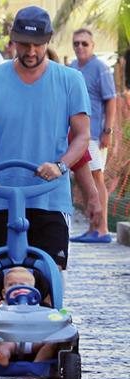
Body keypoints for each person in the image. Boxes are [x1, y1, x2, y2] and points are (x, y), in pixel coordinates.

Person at [0, 6, 90, 276]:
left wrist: (60, 165)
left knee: (48, 280)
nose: (31, 52)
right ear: (12, 40)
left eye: (38, 45)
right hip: (3, 194)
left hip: (51, 197)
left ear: (48, 41)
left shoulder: (71, 80)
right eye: (24, 45)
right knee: (3, 283)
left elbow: (82, 136)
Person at [68, 28, 117, 244]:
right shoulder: (72, 67)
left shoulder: (101, 68)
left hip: (95, 134)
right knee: (84, 180)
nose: (80, 47)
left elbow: (111, 100)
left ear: (93, 45)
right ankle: (92, 227)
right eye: (76, 43)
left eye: (84, 43)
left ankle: (103, 228)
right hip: (77, 135)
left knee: (96, 177)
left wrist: (108, 130)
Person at [0, 267, 56, 379]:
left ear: (34, 291)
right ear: (4, 292)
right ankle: (2, 356)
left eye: (22, 285)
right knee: (3, 345)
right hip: (10, 339)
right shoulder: (1, 306)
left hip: (35, 340)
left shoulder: (41, 307)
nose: (17, 288)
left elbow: (51, 323)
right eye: (11, 285)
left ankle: (35, 367)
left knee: (52, 343)